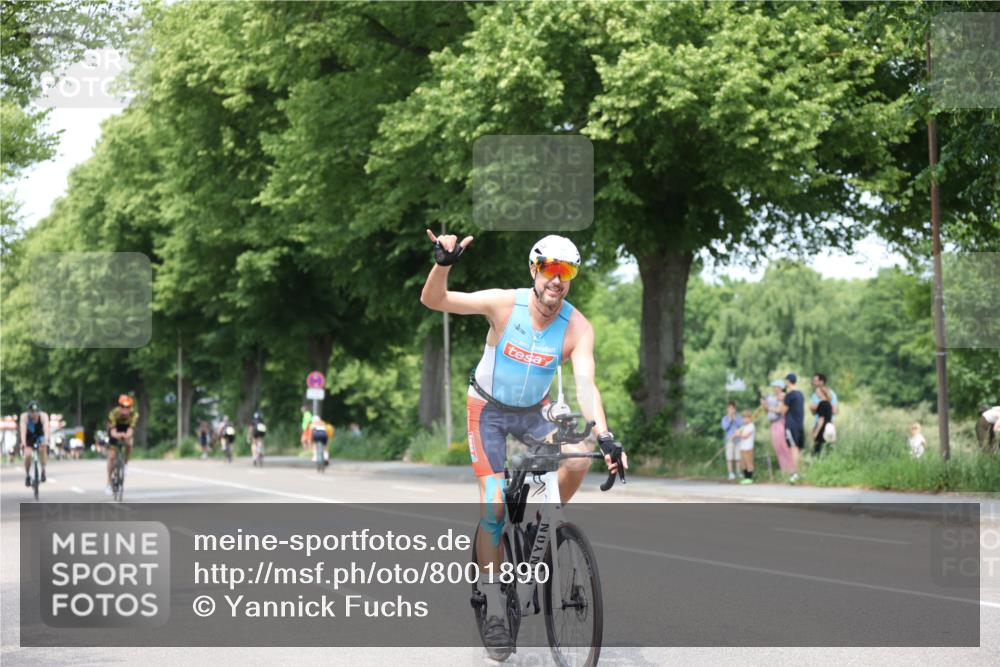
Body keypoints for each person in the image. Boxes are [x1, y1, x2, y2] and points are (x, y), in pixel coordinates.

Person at [420, 230, 626, 658]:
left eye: (566, 272)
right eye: (550, 269)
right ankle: (495, 606)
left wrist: (605, 436)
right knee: (495, 506)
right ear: (535, 270)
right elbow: (435, 301)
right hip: (488, 411)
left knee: (578, 457)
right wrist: (442, 264)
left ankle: (541, 527)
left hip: (535, 412)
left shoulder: (577, 326)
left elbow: (586, 385)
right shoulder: (503, 304)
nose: (557, 280)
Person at [776, 373, 805, 484]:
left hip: (791, 425)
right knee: (798, 449)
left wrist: (780, 401)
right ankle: (800, 472)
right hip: (800, 424)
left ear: (788, 381)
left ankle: (794, 473)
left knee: (793, 448)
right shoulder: (800, 394)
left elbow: (782, 410)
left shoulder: (789, 395)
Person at [106, 395, 137, 495]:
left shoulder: (134, 414)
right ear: (119, 406)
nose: (125, 409)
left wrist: (126, 436)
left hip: (126, 430)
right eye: (123, 406)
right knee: (111, 457)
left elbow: (131, 431)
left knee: (130, 443)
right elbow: (113, 432)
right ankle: (109, 483)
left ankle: (126, 464)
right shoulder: (113, 413)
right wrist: (119, 435)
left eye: (127, 407)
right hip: (115, 431)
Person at [761, 381, 793, 475]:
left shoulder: (783, 396)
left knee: (784, 447)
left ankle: (791, 470)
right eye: (774, 387)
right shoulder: (772, 397)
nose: (775, 389)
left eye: (777, 387)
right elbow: (767, 413)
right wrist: (764, 406)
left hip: (780, 423)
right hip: (773, 424)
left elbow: (779, 410)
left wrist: (768, 407)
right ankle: (784, 471)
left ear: (781, 388)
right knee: (778, 448)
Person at [19, 401, 49, 486]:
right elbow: (23, 431)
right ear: (29, 411)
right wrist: (23, 443)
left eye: (36, 411)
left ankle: (43, 469)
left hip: (40, 436)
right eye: (32, 412)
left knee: (43, 448)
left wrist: (46, 440)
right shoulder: (24, 417)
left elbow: (46, 429)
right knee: (28, 455)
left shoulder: (43, 416)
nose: (35, 414)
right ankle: (27, 475)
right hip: (29, 437)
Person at [721, 401, 743, 481]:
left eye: (732, 408)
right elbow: (725, 427)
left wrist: (735, 419)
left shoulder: (739, 417)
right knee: (729, 457)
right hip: (729, 440)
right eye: (729, 408)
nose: (731, 410)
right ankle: (730, 473)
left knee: (738, 457)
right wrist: (730, 420)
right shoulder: (725, 418)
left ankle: (738, 472)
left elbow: (742, 426)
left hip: (738, 440)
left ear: (735, 409)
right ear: (727, 409)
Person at [812, 385, 834, 455]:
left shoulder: (822, 404)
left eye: (817, 392)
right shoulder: (829, 404)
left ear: (822, 393)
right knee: (827, 450)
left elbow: (821, 419)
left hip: (822, 430)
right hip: (829, 428)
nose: (816, 394)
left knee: (817, 451)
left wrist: (816, 432)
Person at [736, 409, 756, 484]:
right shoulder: (744, 426)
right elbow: (738, 432)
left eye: (747, 418)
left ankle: (749, 478)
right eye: (744, 418)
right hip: (743, 447)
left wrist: (739, 434)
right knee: (743, 463)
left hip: (748, 448)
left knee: (749, 462)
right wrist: (736, 434)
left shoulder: (751, 426)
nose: (745, 420)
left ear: (750, 418)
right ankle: (745, 477)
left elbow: (745, 436)